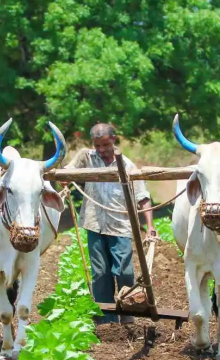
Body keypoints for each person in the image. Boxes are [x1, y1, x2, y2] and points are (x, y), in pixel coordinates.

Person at [65, 123, 158, 324]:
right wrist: (64, 179)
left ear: (114, 140)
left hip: (120, 226)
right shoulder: (86, 157)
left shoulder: (128, 166)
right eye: (97, 145)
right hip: (94, 224)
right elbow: (67, 173)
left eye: (105, 144)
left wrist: (150, 226)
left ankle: (127, 317)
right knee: (100, 273)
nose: (101, 150)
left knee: (124, 272)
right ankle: (106, 322)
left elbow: (143, 197)